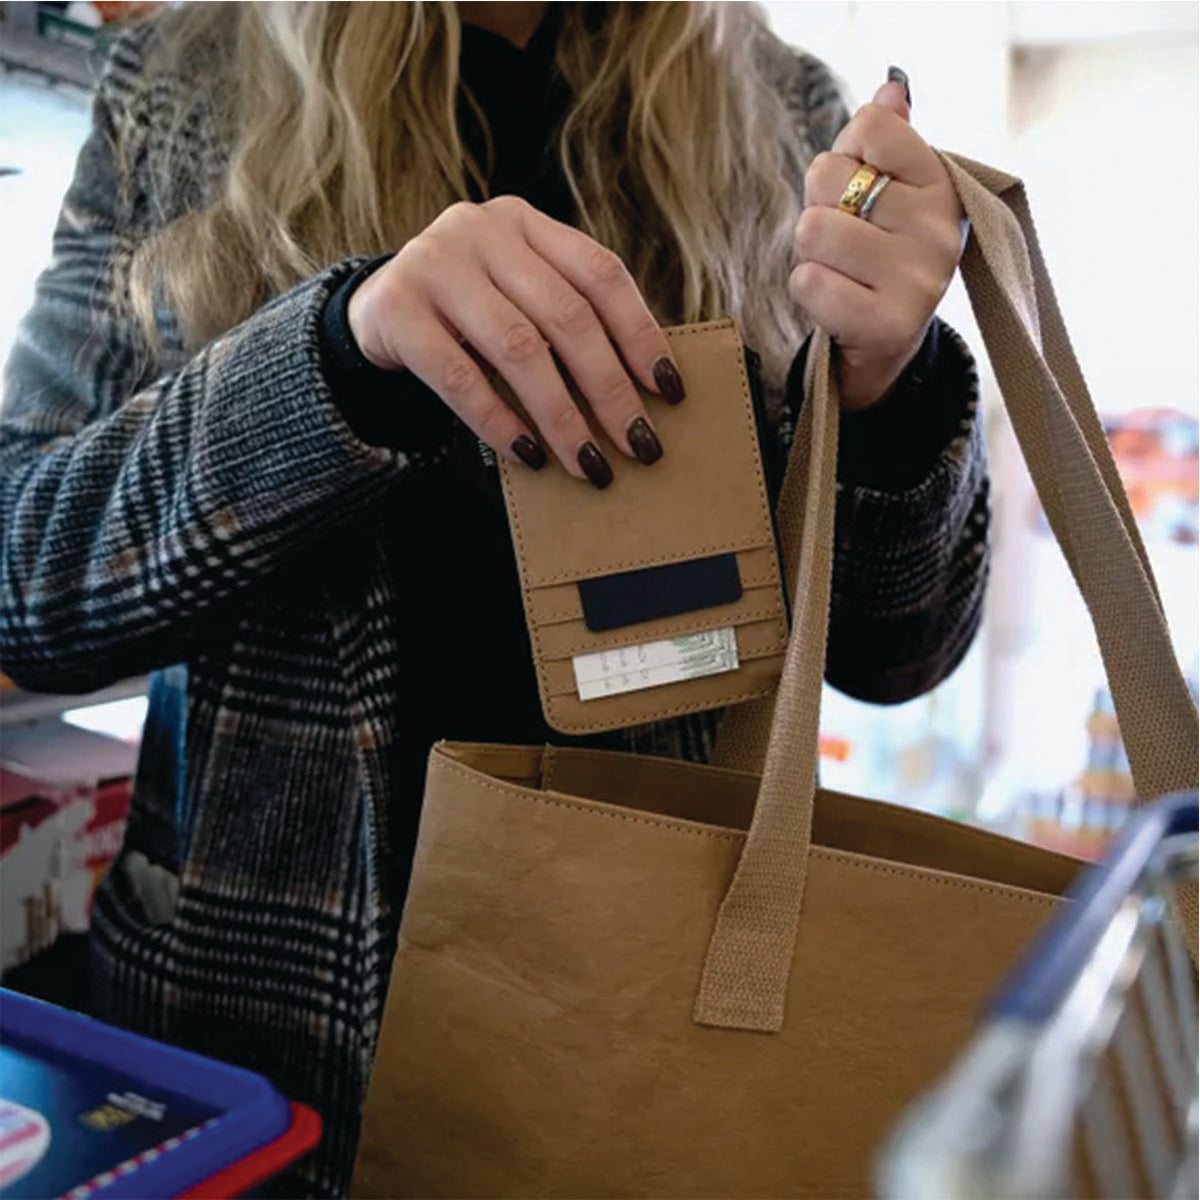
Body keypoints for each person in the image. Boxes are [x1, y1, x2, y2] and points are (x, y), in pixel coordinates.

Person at [0, 2, 986, 1194]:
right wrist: (337, 359)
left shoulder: (783, 118)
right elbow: (21, 578)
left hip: (656, 1037)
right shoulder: (183, 77)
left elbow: (901, 649)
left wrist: (897, 388)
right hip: (249, 1041)